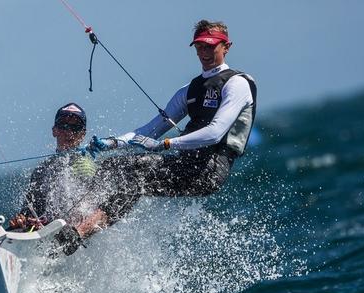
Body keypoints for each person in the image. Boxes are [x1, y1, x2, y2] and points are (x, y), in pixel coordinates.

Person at [87, 19, 257, 199]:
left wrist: (166, 144)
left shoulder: (237, 83)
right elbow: (148, 131)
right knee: (115, 169)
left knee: (129, 172)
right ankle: (81, 222)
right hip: (185, 162)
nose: (204, 53)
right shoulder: (189, 90)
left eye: (210, 47)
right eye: (199, 47)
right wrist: (111, 143)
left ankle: (82, 224)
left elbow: (215, 133)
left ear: (226, 47)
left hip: (211, 169)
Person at [9, 103, 111, 256]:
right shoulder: (42, 169)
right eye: (63, 125)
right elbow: (29, 212)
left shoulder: (86, 166)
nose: (69, 132)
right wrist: (22, 222)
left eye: (75, 128)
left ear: (83, 134)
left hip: (76, 244)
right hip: (50, 243)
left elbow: (98, 210)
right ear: (54, 131)